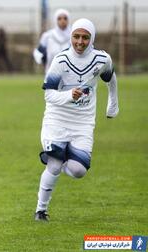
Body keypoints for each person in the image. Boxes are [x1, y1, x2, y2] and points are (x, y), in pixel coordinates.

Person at [34, 18, 119, 221]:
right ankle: (41, 210)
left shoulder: (102, 59)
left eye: (85, 37)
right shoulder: (60, 60)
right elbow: (49, 95)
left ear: (92, 38)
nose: (80, 41)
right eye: (76, 36)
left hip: (83, 122)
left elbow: (111, 79)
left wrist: (113, 104)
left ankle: (63, 158)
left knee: (79, 171)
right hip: (57, 119)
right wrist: (68, 95)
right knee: (53, 165)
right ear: (71, 36)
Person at [33, 9, 71, 73]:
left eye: (65, 18)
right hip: (51, 71)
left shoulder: (74, 35)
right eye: (59, 18)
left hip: (69, 72)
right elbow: (39, 51)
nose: (62, 21)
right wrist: (42, 58)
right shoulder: (48, 36)